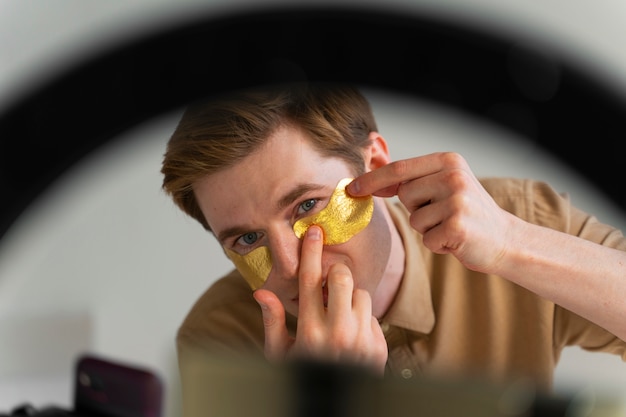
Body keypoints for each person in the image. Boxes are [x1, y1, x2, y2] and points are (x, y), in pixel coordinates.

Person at [160, 82, 625, 412]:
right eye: (247, 239)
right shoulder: (217, 342)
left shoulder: (517, 215)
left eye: (306, 206)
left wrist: (511, 244)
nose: (288, 264)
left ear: (376, 164)